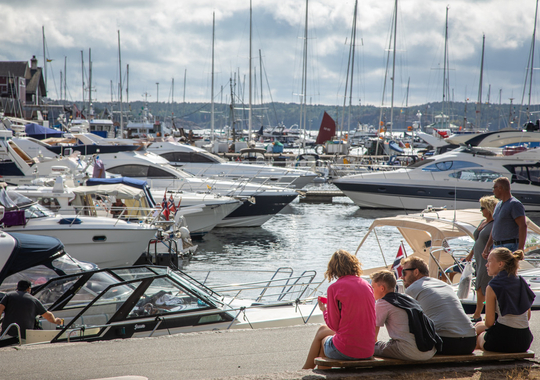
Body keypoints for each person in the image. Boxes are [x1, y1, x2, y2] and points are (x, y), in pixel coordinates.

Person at [302, 249, 376, 369]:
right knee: (322, 329)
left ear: (333, 268)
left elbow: (333, 326)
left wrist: (324, 310)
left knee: (323, 342)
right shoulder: (366, 285)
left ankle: (307, 369)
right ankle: (307, 369)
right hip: (368, 350)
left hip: (347, 350)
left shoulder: (334, 288)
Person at [402, 256, 477, 355]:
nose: (402, 277)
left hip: (445, 343)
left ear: (416, 272)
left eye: (404, 273)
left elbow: (404, 322)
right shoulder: (445, 285)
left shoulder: (413, 288)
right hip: (470, 342)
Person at [370, 270, 441, 361]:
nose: (371, 290)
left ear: (382, 288)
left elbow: (373, 335)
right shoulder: (407, 298)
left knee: (366, 348)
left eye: (373, 287)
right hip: (429, 351)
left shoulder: (383, 303)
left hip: (408, 351)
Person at [476, 248, 535, 352]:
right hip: (524, 340)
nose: (486, 265)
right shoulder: (522, 282)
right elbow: (528, 316)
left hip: (502, 339)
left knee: (478, 335)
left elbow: (489, 323)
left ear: (500, 264)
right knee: (479, 326)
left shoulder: (492, 286)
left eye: (489, 261)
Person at [465, 195, 499, 322]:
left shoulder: (495, 223)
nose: (481, 211)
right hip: (478, 259)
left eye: (482, 208)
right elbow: (478, 241)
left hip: (486, 259)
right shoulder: (483, 222)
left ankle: (478, 314)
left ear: (489, 209)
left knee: (481, 285)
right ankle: (479, 313)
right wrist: (470, 254)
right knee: (479, 285)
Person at [482, 177, 527, 259]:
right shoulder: (498, 204)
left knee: (507, 271)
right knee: (498, 271)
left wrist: (520, 249)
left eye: (494, 188)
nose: (493, 191)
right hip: (497, 245)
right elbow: (495, 226)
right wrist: (487, 246)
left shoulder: (514, 204)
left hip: (509, 246)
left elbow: (523, 226)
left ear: (500, 188)